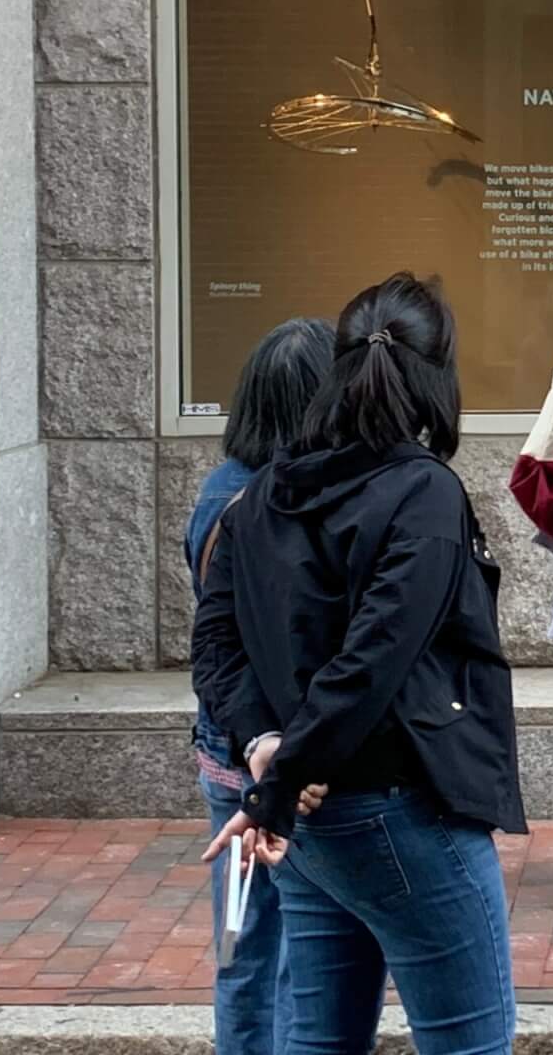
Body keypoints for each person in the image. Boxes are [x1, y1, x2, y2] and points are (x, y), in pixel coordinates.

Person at [194, 273, 524, 1055]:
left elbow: (216, 647)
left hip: (307, 816)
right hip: (397, 804)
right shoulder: (424, 494)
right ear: (439, 376)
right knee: (470, 1039)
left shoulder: (265, 489)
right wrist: (278, 766)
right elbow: (372, 661)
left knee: (319, 1038)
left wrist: (266, 751)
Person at [183, 316, 334, 1055]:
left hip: (226, 748)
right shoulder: (296, 501)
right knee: (308, 949)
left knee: (244, 941)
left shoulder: (219, 491)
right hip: (291, 755)